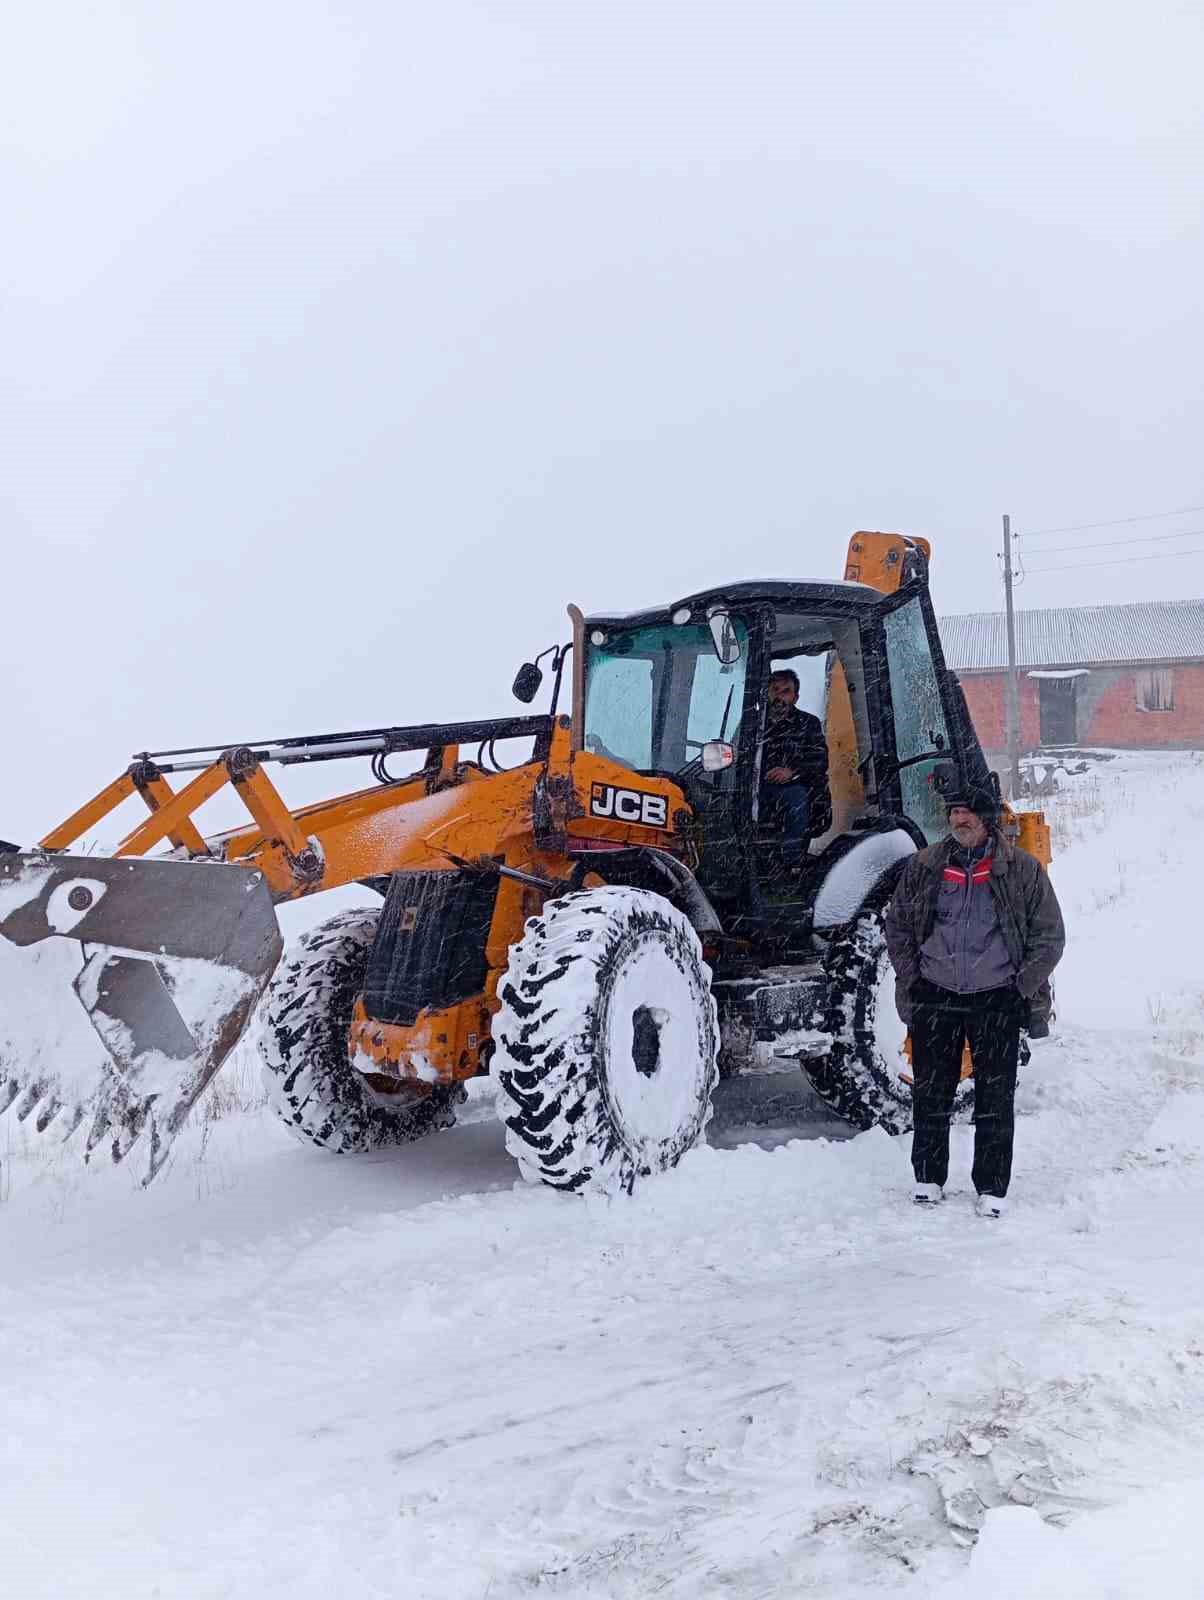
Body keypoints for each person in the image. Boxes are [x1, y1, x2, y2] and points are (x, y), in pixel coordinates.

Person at [883, 778, 1065, 1218]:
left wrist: (1017, 990)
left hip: (996, 999)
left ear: (986, 818)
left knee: (995, 1095)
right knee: (931, 1092)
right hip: (936, 995)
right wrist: (914, 978)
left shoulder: (1020, 869)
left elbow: (1050, 936)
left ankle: (991, 1187)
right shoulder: (925, 866)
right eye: (953, 812)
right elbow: (899, 926)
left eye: (966, 811)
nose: (958, 819)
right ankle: (928, 1177)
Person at [760, 669, 831, 868]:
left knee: (797, 799)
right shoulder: (753, 724)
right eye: (775, 690)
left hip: (796, 788)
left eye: (786, 691)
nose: (779, 696)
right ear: (767, 692)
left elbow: (819, 760)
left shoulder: (809, 724)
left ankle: (792, 863)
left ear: (795, 697)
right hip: (758, 788)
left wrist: (791, 772)